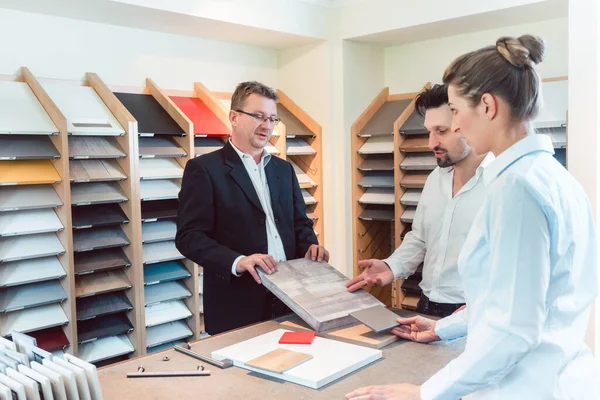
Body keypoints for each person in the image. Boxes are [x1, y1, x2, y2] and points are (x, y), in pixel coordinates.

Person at [346, 35, 598, 400]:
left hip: (526, 387)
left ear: (487, 106)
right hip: (554, 376)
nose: (457, 126)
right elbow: (515, 298)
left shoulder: (517, 188)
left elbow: (514, 330)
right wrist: (446, 327)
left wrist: (423, 394)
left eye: (456, 111)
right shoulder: (554, 177)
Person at [176, 81, 329, 335]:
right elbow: (189, 237)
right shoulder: (204, 169)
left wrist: (310, 246)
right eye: (258, 116)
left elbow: (300, 223)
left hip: (290, 300)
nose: (266, 125)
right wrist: (238, 261)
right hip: (237, 305)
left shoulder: (284, 170)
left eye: (272, 118)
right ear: (234, 117)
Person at [346, 84, 494, 318]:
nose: (431, 143)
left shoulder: (501, 184)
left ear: (469, 124)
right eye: (429, 131)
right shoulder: (436, 178)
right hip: (426, 306)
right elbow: (421, 237)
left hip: (473, 313)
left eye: (441, 131)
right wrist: (391, 266)